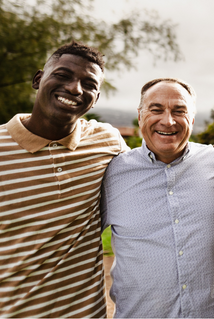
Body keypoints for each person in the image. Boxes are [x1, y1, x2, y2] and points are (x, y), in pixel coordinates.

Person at [0, 42, 127, 317]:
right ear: (38, 79)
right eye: (62, 75)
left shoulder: (106, 141)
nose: (74, 88)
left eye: (89, 84)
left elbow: (156, 167)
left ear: (96, 97)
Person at [100, 78, 214, 318]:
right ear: (140, 117)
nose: (168, 121)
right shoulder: (110, 174)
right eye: (156, 109)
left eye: (179, 111)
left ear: (191, 120)